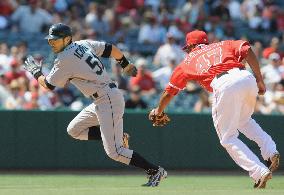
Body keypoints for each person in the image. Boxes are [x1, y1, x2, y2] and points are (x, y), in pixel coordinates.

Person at [24, 23, 167, 187]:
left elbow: (48, 85)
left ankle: (155, 170)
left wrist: (36, 72)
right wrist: (125, 64)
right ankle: (117, 137)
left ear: (67, 39)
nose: (52, 43)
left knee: (115, 152)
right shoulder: (83, 44)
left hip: (107, 100)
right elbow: (110, 48)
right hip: (103, 99)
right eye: (50, 40)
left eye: (55, 40)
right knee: (74, 130)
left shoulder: (64, 59)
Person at [149, 30, 280, 188]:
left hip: (224, 83)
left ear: (191, 46)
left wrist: (159, 110)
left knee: (227, 138)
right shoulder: (224, 44)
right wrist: (259, 79)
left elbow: (169, 92)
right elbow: (248, 49)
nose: (188, 51)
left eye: (188, 48)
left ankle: (259, 172)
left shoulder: (188, 61)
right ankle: (271, 151)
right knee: (244, 120)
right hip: (245, 77)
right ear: (205, 42)